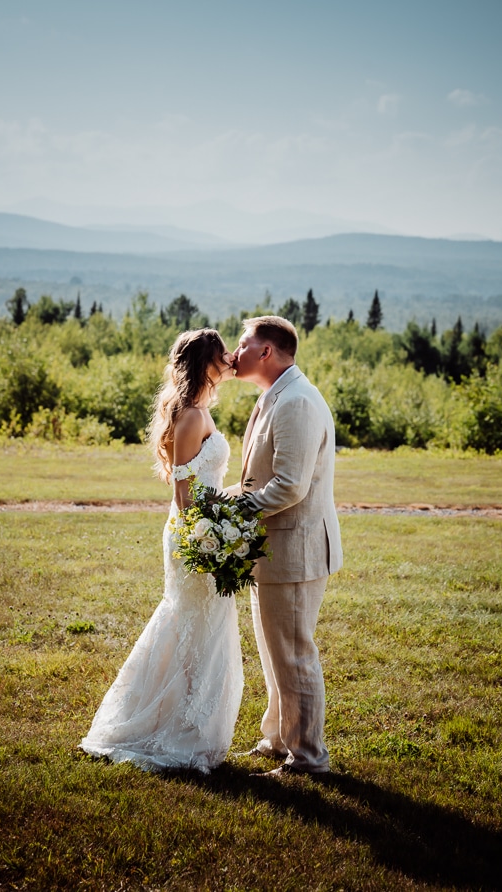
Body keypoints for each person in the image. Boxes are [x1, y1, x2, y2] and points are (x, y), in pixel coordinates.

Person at [80, 328, 242, 773]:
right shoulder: (190, 416)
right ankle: (174, 728)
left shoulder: (198, 410)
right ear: (206, 362)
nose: (230, 356)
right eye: (222, 352)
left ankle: (189, 722)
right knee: (190, 623)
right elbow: (184, 492)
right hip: (195, 533)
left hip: (205, 525)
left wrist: (229, 509)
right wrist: (207, 540)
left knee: (199, 624)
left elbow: (203, 486)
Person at [230, 315, 342, 777]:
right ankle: (278, 738)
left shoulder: (295, 401)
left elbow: (290, 486)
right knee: (275, 650)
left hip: (294, 549)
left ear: (266, 352)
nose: (233, 353)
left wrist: (234, 513)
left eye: (242, 343)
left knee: (294, 653)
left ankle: (309, 759)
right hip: (272, 549)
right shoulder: (274, 395)